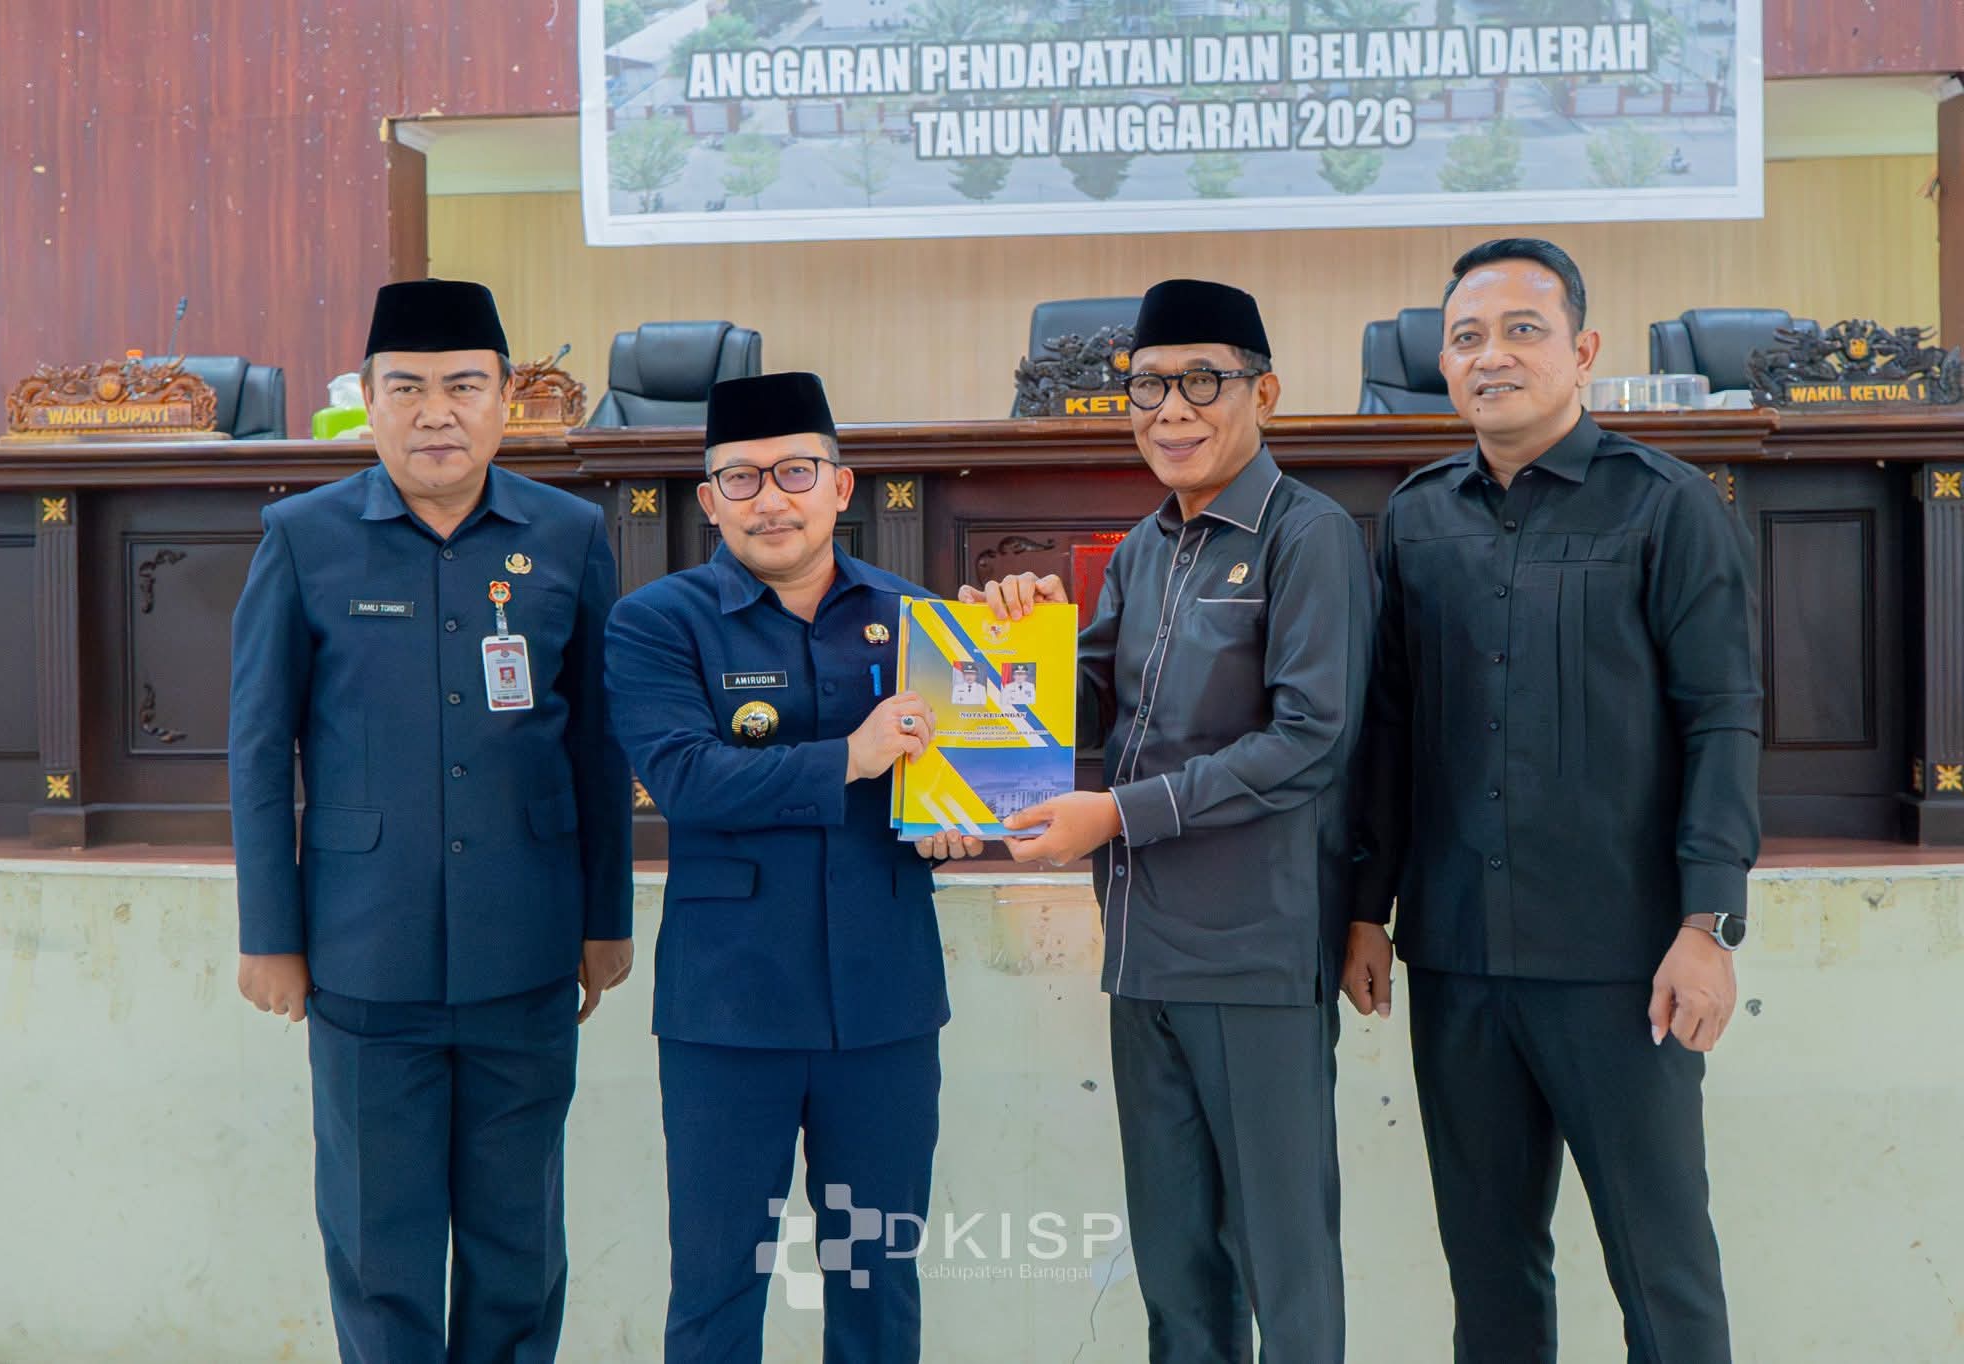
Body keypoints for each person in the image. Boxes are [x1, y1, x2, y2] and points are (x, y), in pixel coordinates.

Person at [1345, 237, 1758, 1363]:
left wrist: (1708, 923)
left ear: (1581, 352)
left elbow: (1722, 719)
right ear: (1442, 365)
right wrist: (1366, 908)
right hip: (1459, 960)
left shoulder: (1668, 506)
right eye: (1466, 337)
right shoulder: (1416, 517)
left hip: (1624, 962)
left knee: (1661, 1269)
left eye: (1521, 330)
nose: (1491, 355)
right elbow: (1388, 732)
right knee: (1489, 1272)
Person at [967, 279, 1373, 1362]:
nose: (1171, 410)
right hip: (1140, 955)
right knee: (1176, 1273)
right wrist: (1012, 645)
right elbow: (1089, 701)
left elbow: (1308, 740)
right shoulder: (1146, 546)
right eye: (1148, 386)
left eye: (1202, 381)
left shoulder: (1309, 537)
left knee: (1283, 1266)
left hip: (1251, 954)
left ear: (1263, 393)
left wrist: (1116, 814)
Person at [229, 278, 633, 1363]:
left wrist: (606, 918)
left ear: (506, 399)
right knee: (378, 1244)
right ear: (366, 401)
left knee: (518, 1245)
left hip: (527, 945)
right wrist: (269, 932)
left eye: (463, 385)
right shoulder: (303, 537)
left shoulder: (569, 534)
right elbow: (261, 749)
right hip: (364, 948)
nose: (435, 412)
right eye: (406, 388)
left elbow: (599, 743)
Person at [605, 371, 979, 1363]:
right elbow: (686, 779)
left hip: (885, 1006)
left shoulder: (919, 619)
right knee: (717, 1283)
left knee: (877, 1282)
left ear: (840, 486)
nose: (770, 498)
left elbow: (956, 781)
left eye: (795, 472)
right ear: (708, 499)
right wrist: (850, 757)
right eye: (741, 477)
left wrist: (950, 819)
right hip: (728, 1011)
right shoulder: (656, 622)